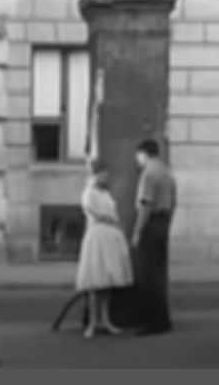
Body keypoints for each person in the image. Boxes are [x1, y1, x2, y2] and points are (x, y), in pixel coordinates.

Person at [75, 157, 134, 339]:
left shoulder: (106, 194)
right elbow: (99, 214)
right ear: (96, 175)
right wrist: (113, 220)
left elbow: (113, 212)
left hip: (110, 235)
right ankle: (93, 322)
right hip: (98, 235)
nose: (106, 178)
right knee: (96, 281)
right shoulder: (89, 194)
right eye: (103, 175)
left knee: (108, 281)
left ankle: (106, 319)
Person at [130, 139, 177, 335]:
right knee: (159, 274)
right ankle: (163, 318)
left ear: (144, 154)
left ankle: (150, 321)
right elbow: (174, 203)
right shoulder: (167, 172)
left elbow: (145, 205)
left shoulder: (148, 174)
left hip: (150, 224)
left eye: (138, 156)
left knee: (147, 275)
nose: (137, 160)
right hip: (163, 223)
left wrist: (137, 231)